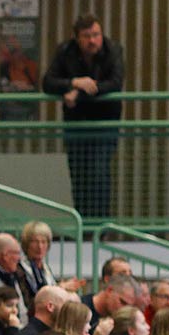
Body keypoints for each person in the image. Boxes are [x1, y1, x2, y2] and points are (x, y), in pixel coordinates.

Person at [43, 14, 126, 218]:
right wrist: (73, 82)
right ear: (77, 38)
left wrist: (79, 93)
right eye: (87, 36)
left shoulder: (113, 50)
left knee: (99, 173)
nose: (92, 41)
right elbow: (48, 82)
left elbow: (114, 83)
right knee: (79, 176)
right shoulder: (65, 51)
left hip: (104, 123)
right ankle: (84, 224)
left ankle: (100, 225)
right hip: (76, 124)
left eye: (96, 35)